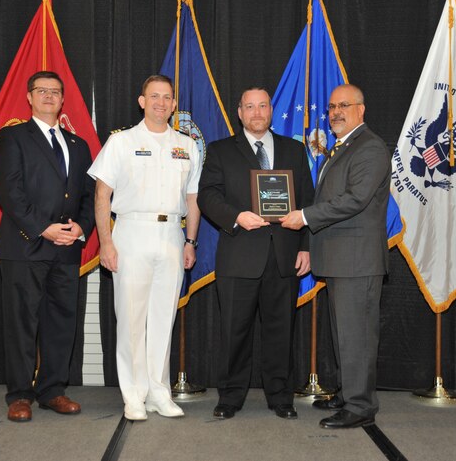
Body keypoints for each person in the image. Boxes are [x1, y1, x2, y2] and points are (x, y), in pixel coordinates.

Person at [88, 74, 201, 421]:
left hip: (171, 235)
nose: (161, 103)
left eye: (167, 98)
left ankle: (159, 392)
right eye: (154, 96)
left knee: (163, 318)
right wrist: (106, 242)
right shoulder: (121, 142)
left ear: (173, 104)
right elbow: (102, 195)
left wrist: (190, 241)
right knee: (132, 319)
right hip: (131, 232)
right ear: (142, 101)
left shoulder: (187, 145)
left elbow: (193, 198)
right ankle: (133, 395)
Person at [198, 87, 314, 420]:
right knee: (235, 331)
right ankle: (231, 397)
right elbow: (208, 196)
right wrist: (236, 216)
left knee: (281, 331)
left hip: (284, 256)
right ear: (240, 112)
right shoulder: (221, 151)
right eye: (249, 106)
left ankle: (280, 397)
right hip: (239, 256)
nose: (257, 112)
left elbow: (308, 199)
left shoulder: (294, 150)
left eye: (262, 105)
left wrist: (306, 246)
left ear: (271, 110)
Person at [280, 84, 390, 429]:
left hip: (357, 261)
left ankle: (360, 406)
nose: (335, 112)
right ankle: (347, 392)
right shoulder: (342, 148)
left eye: (344, 105)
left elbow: (355, 200)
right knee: (344, 334)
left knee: (356, 335)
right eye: (331, 107)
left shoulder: (370, 147)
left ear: (361, 108)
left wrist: (305, 217)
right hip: (341, 259)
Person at [0, 71, 95, 422]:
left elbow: (88, 196)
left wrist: (80, 227)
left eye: (55, 92)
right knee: (22, 323)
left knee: (61, 323)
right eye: (42, 91)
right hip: (26, 247)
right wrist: (44, 228)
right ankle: (20, 395)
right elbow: (8, 191)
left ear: (63, 99)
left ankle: (53, 390)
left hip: (67, 248)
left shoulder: (78, 145)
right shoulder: (12, 136)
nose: (49, 96)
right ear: (29, 97)